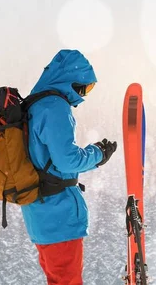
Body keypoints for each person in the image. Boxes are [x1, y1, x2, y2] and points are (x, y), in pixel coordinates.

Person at [21, 49, 117, 285]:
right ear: (68, 80)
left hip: (41, 213)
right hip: (59, 214)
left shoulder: (34, 104)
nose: (83, 94)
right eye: (83, 87)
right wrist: (98, 154)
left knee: (58, 280)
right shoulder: (54, 107)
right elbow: (67, 160)